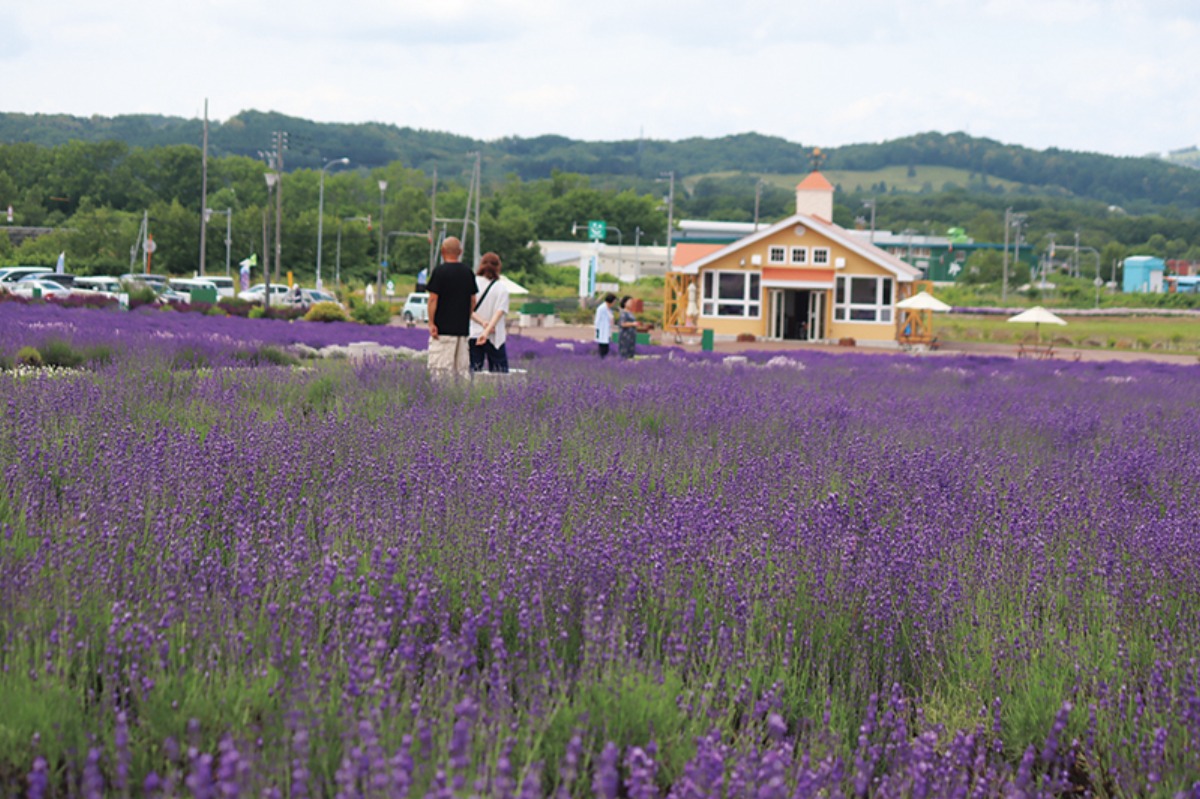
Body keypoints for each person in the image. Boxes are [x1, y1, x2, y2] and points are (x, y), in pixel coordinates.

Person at [426, 236, 478, 379]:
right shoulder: (468, 272)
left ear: (442, 251)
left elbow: (433, 299)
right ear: (460, 252)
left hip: (442, 330)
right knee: (461, 372)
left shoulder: (439, 272)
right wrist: (466, 317)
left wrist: (431, 323)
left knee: (441, 372)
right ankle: (461, 400)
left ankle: (441, 400)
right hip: (462, 330)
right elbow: (473, 300)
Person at [469, 252, 510, 373]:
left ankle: (472, 392)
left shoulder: (472, 283)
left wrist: (482, 323)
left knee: (473, 372)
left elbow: (468, 310)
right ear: (498, 267)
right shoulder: (501, 288)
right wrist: (487, 331)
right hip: (495, 337)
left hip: (474, 333)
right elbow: (499, 313)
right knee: (500, 374)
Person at [594, 293, 616, 358]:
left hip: (607, 331)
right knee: (602, 348)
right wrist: (597, 331)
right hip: (602, 331)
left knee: (606, 348)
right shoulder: (601, 308)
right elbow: (597, 320)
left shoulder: (609, 309)